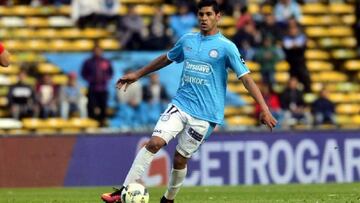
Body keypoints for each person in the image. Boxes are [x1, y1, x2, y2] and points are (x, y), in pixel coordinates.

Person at [101, 1, 277, 203]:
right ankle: (121, 191)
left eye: (208, 14)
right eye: (201, 14)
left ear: (218, 16)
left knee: (180, 158)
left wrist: (264, 108)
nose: (204, 18)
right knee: (154, 143)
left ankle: (169, 199)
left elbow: (246, 78)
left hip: (206, 115)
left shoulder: (227, 47)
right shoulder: (187, 40)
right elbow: (166, 58)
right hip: (181, 104)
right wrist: (138, 74)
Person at [81, 44, 113, 126]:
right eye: (95, 51)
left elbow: (110, 72)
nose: (97, 52)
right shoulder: (88, 62)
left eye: (99, 50)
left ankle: (102, 123)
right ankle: (91, 123)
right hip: (92, 88)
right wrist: (90, 79)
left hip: (103, 88)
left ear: (102, 52)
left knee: (103, 107)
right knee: (91, 106)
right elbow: (84, 73)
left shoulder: (106, 62)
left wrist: (105, 78)